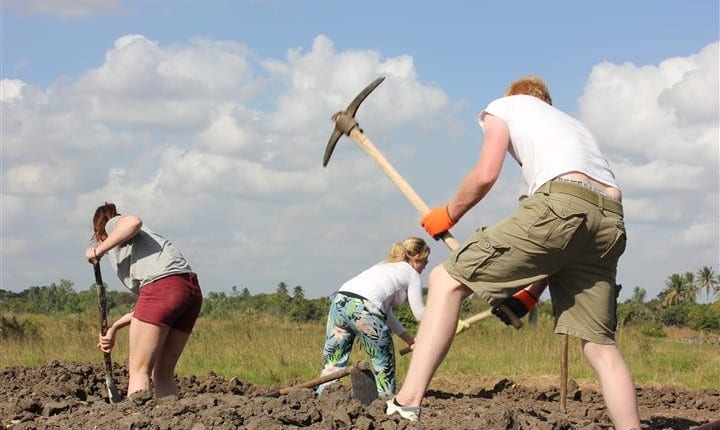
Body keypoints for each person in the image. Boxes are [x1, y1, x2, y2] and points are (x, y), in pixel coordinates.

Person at [386, 76, 641, 430]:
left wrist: (449, 213)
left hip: (561, 202)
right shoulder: (573, 127)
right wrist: (527, 297)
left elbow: (487, 174)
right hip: (610, 218)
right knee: (599, 345)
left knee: (444, 280)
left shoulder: (504, 107)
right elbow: (559, 245)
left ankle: (406, 403)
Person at [85, 202, 202, 400]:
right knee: (163, 375)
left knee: (139, 371)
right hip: (189, 291)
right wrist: (114, 328)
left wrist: (98, 251)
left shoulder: (114, 223)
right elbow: (152, 307)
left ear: (100, 232)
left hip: (163, 288)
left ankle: (136, 421)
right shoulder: (144, 249)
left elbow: (134, 222)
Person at [317, 237, 430, 398]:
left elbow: (386, 314)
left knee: (333, 362)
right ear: (416, 257)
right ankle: (383, 402)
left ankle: (322, 398)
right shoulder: (411, 273)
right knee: (383, 363)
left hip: (340, 302)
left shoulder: (383, 266)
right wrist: (445, 320)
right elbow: (420, 314)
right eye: (425, 261)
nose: (426, 265)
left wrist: (411, 341)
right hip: (365, 309)